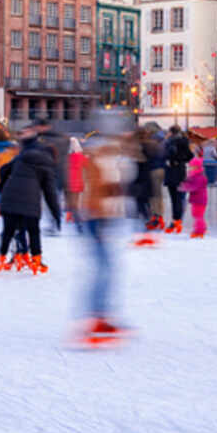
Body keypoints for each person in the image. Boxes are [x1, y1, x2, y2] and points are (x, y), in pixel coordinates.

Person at [74, 128, 135, 345]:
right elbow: (94, 192)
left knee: (107, 269)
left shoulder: (111, 162)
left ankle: (100, 315)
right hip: (96, 219)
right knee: (104, 269)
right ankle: (94, 318)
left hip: (104, 218)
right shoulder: (99, 162)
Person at [0, 125, 62, 275]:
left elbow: (2, 170)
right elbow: (50, 193)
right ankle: (35, 259)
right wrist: (56, 214)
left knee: (8, 230)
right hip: (30, 202)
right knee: (33, 230)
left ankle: (2, 259)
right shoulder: (48, 166)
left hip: (9, 198)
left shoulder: (22, 157)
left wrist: (2, 187)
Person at [163, 125, 192, 234]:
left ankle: (175, 221)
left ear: (171, 132)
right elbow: (190, 156)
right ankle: (177, 220)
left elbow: (165, 154)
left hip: (171, 171)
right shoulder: (184, 141)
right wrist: (181, 161)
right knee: (178, 198)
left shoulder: (169, 142)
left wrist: (173, 160)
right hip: (180, 171)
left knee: (174, 198)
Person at [180, 155, 210, 238]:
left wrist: (184, 187)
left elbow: (194, 187)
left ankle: (199, 230)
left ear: (197, 167)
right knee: (196, 215)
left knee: (198, 215)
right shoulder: (194, 176)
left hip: (200, 200)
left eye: (192, 167)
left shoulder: (199, 177)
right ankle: (200, 229)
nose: (190, 169)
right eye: (190, 167)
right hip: (197, 200)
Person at [66, 136, 86, 231]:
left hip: (68, 181)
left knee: (71, 202)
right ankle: (74, 218)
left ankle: (72, 217)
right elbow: (87, 165)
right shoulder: (81, 156)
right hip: (78, 181)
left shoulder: (66, 157)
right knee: (76, 202)